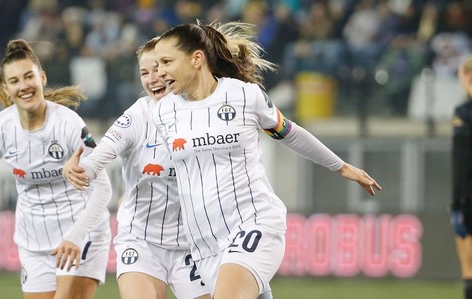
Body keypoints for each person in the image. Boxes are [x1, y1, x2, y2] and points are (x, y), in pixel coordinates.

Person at [152, 21, 382, 299]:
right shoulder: (163, 112)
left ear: (197, 58)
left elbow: (289, 133)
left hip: (254, 224)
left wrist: (341, 166)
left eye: (166, 61)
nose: (159, 72)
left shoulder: (243, 96)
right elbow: (168, 172)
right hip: (204, 244)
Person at [62, 37, 211, 299]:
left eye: (159, 69)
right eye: (144, 72)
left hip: (191, 244)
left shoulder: (203, 114)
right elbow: (102, 153)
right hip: (141, 240)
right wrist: (82, 168)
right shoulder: (136, 117)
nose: (152, 78)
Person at [0, 39, 112, 299]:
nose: (23, 86)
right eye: (14, 81)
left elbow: (103, 187)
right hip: (33, 242)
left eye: (29, 77)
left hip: (81, 235)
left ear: (42, 78)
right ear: (5, 88)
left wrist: (77, 236)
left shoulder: (69, 124)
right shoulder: (0, 128)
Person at [451, 54, 472, 299]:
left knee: (469, 270)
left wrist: (458, 203)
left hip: (467, 198)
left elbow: (462, 163)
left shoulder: (464, 112)